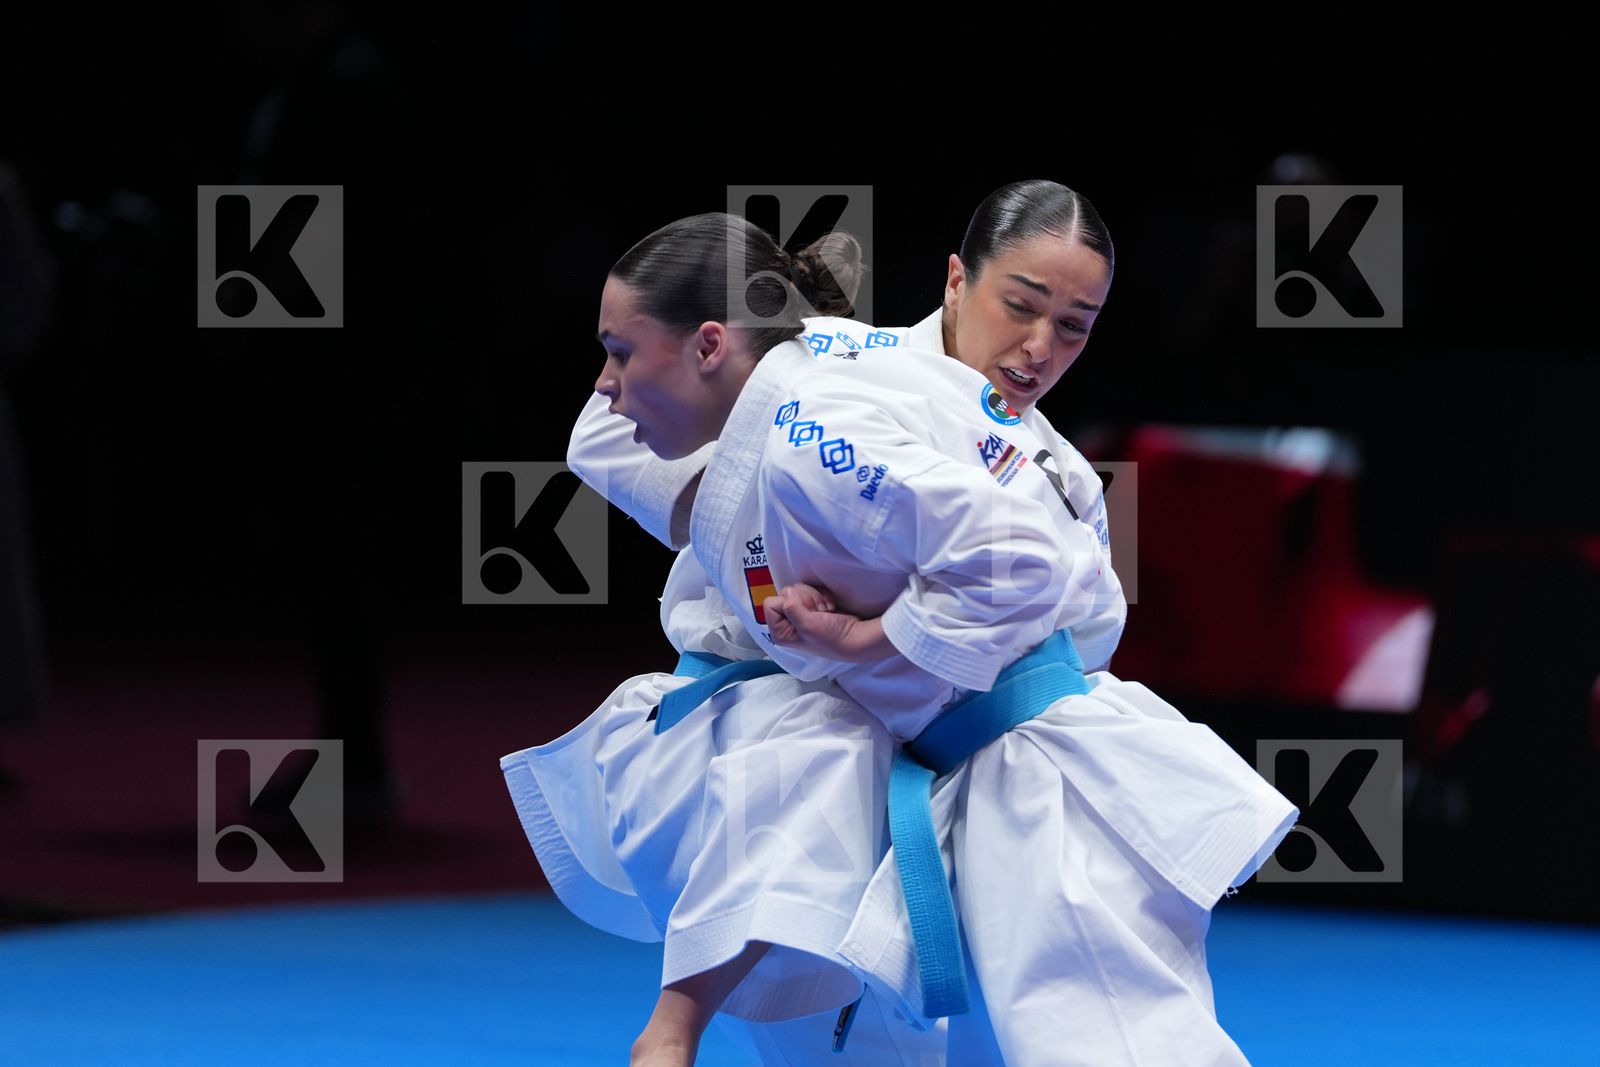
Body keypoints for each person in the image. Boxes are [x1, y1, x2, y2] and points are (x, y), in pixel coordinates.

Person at [589, 188, 1299, 1065]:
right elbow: (611, 425)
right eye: (1022, 305)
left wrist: (866, 635)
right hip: (835, 757)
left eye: (1076, 326)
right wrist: (750, 516)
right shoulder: (830, 376)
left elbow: (1063, 602)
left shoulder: (1038, 465)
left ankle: (673, 1030)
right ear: (958, 280)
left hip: (999, 764)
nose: (1040, 349)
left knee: (1109, 1036)